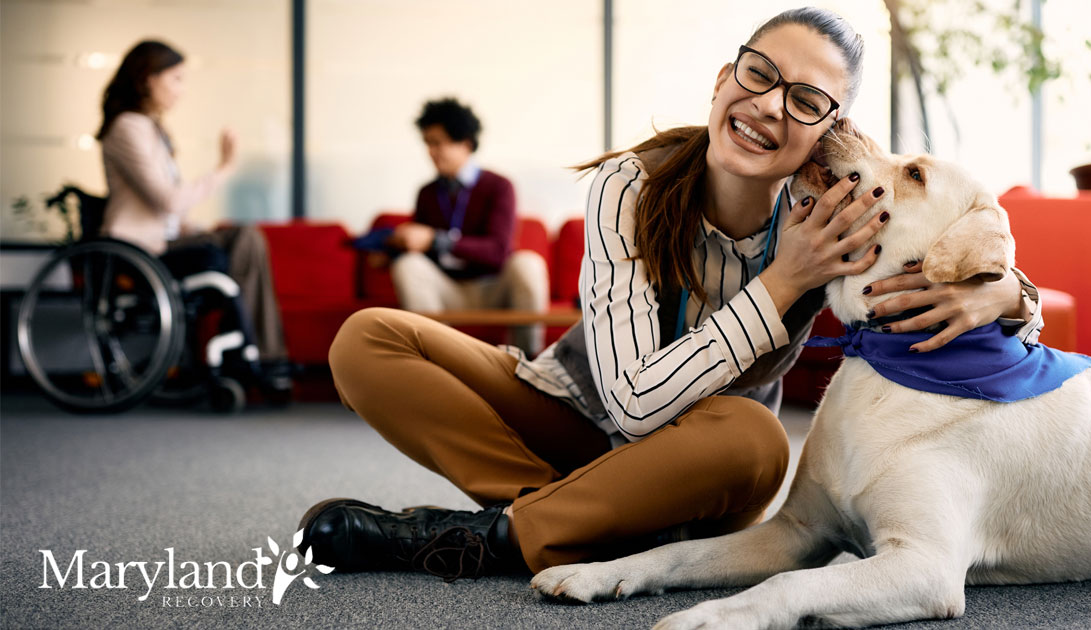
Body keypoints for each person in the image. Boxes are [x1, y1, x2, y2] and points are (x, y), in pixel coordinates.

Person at [298, 8, 1043, 580]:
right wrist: (785, 279)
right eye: (758, 75)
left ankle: (508, 534)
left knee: (755, 441)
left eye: (807, 99)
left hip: (702, 460)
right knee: (369, 338)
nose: (770, 106)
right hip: (575, 412)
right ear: (724, 80)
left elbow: (948, 239)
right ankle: (567, 522)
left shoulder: (836, 208)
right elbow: (629, 405)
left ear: (828, 129)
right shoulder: (633, 183)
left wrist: (1007, 294)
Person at [96, 39, 291, 393]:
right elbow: (166, 200)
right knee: (241, 242)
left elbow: (168, 211)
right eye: (176, 79)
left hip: (164, 240)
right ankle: (255, 357)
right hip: (140, 252)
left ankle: (253, 355)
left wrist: (195, 227)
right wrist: (224, 169)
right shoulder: (127, 127)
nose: (181, 91)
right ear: (147, 79)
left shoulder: (152, 130)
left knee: (246, 237)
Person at [359, 98, 548, 356]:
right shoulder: (427, 193)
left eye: (438, 143)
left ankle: (530, 363)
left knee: (529, 263)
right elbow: (423, 252)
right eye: (427, 143)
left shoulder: (499, 187)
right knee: (408, 265)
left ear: (466, 143)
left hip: (493, 287)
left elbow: (498, 251)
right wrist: (393, 252)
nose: (431, 151)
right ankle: (437, 360)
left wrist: (436, 239)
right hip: (448, 288)